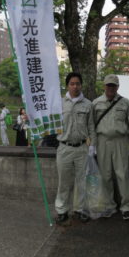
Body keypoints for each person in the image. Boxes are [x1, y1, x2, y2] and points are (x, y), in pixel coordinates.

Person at [55, 72, 96, 225]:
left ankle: (81, 210)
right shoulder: (59, 103)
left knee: (82, 181)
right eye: (72, 83)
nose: (75, 86)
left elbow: (91, 126)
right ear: (67, 85)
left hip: (82, 148)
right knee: (64, 182)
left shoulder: (88, 104)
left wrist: (93, 146)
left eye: (78, 83)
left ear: (81, 85)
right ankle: (61, 210)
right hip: (64, 148)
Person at [92, 74, 129, 221]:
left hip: (120, 140)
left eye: (113, 85)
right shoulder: (96, 103)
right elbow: (92, 124)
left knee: (123, 173)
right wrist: (93, 144)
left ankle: (126, 206)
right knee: (105, 175)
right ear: (104, 86)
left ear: (118, 87)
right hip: (102, 140)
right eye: (108, 85)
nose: (111, 88)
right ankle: (109, 205)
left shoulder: (125, 103)